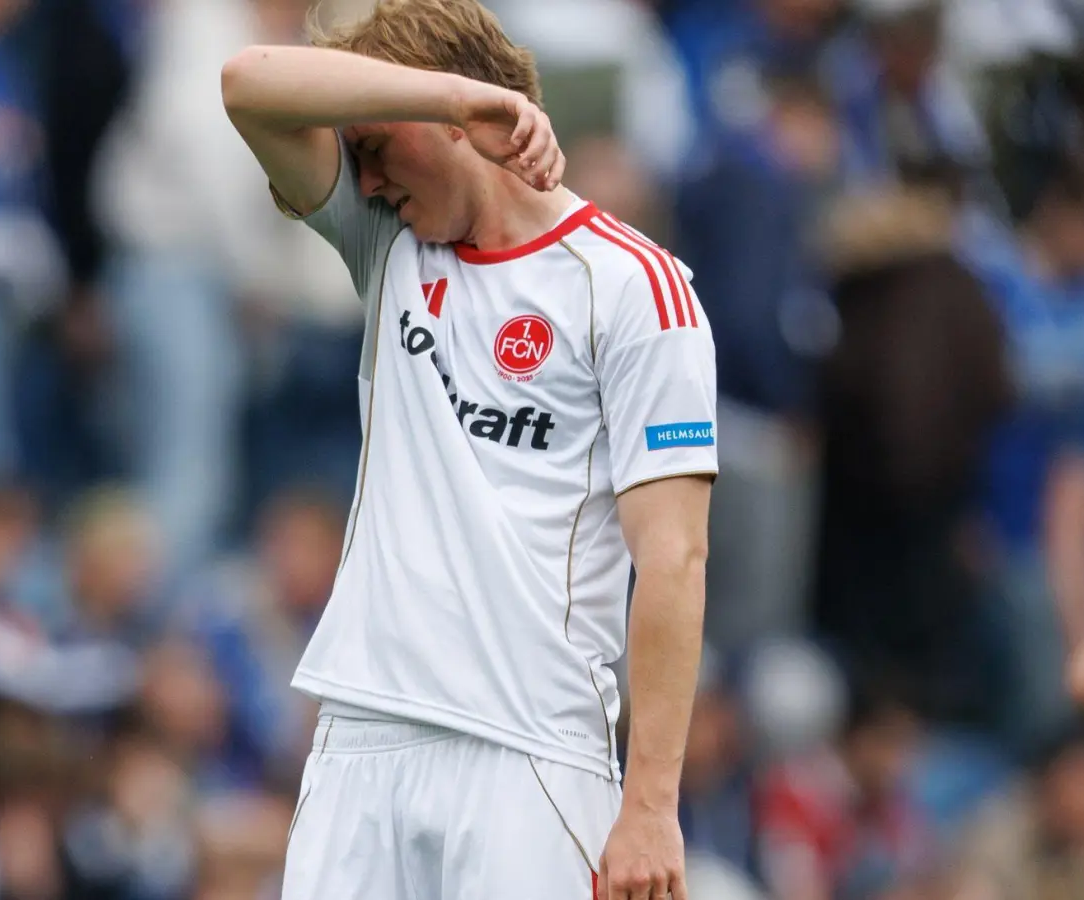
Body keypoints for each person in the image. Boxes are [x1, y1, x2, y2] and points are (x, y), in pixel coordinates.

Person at [219, 0, 719, 897]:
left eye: (372, 147)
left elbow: (674, 559)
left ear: (449, 128)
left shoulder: (635, 288)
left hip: (528, 754)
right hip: (360, 737)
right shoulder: (388, 244)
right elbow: (247, 83)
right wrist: (454, 93)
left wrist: (650, 803)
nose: (363, 181)